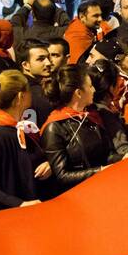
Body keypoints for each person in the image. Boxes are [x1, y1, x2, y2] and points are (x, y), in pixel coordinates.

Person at [0, 70, 51, 210]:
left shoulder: (19, 129)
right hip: (11, 218)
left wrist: (48, 165)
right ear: (20, 97)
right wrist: (19, 204)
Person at [40, 63, 112, 191]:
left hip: (103, 185)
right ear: (78, 93)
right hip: (78, 194)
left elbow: (106, 154)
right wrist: (99, 171)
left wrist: (125, 157)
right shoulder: (54, 127)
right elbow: (62, 175)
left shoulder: (90, 116)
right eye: (90, 86)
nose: (94, 90)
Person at [18, 38, 56, 127]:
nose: (48, 63)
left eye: (48, 58)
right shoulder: (35, 94)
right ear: (25, 65)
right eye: (41, 59)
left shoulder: (19, 87)